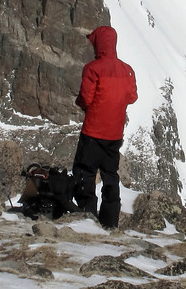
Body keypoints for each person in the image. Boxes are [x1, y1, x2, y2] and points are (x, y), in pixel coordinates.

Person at [72, 25, 138, 228]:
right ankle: (110, 221)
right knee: (110, 175)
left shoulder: (93, 68)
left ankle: (87, 217)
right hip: (114, 134)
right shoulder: (127, 70)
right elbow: (132, 97)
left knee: (85, 172)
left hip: (93, 131)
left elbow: (85, 97)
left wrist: (87, 107)